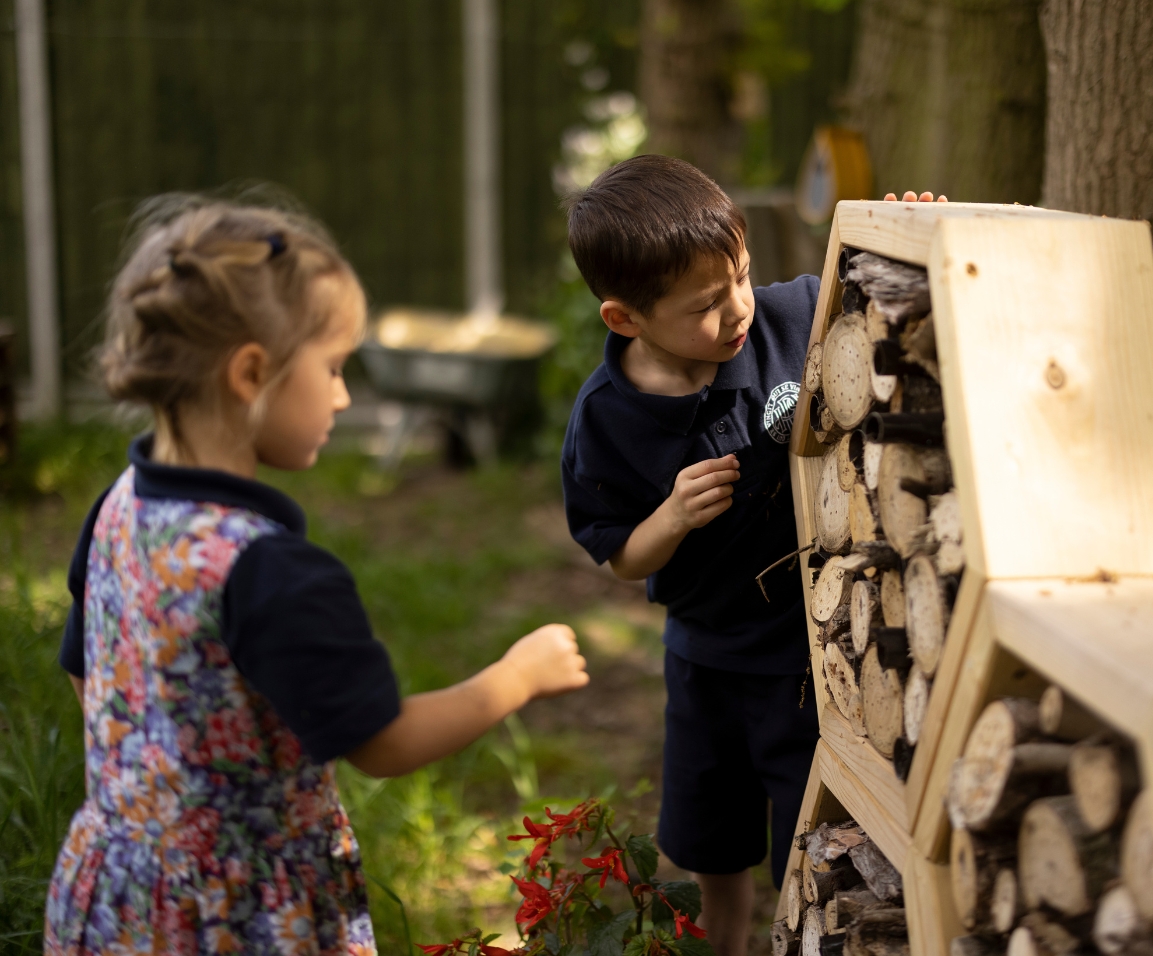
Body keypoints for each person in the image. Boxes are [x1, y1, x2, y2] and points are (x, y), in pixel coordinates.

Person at [45, 198, 590, 956]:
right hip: (241, 920)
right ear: (251, 373)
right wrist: (516, 677)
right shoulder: (271, 571)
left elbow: (90, 677)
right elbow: (382, 743)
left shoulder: (119, 505)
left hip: (117, 894)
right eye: (332, 368)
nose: (342, 394)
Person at [560, 156, 943, 956]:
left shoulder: (790, 315)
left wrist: (913, 232)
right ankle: (725, 941)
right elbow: (621, 558)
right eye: (705, 304)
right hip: (706, 661)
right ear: (625, 318)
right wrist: (669, 518)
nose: (737, 308)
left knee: (812, 825)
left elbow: (883, 301)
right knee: (710, 835)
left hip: (818, 654)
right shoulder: (607, 422)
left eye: (740, 275)